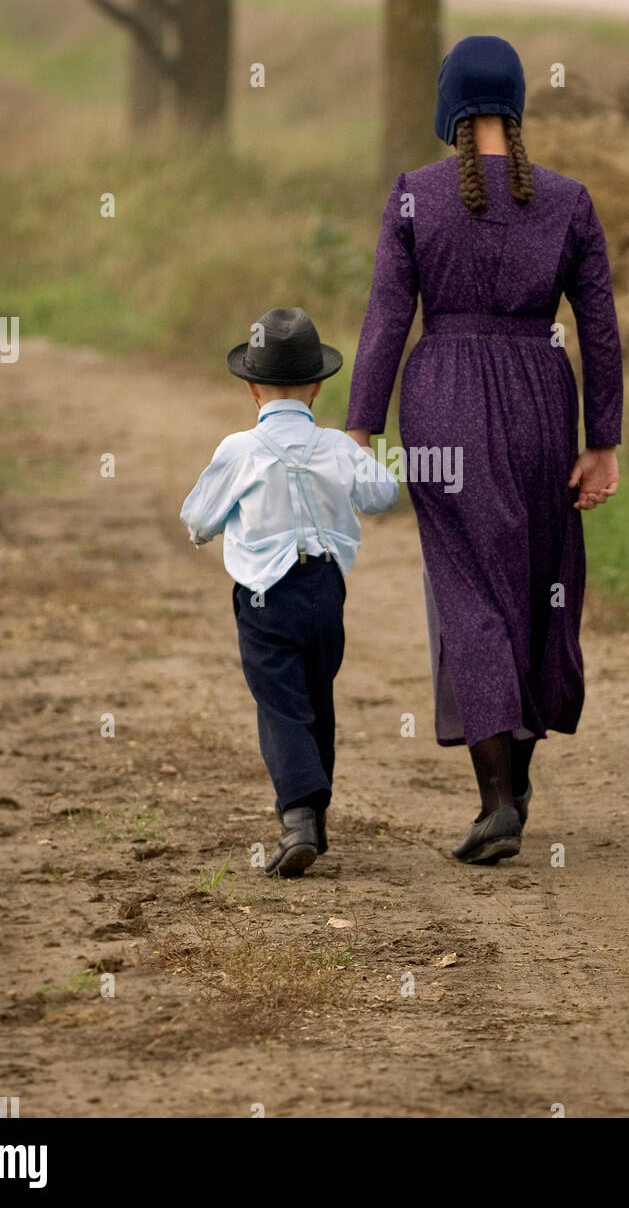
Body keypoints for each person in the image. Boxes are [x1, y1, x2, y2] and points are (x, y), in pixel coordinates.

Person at [345, 36, 622, 865]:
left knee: (468, 594)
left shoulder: (414, 197)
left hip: (444, 406)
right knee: (540, 583)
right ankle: (522, 778)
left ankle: (497, 799)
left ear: (448, 106)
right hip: (543, 395)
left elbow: (388, 318)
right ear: (517, 103)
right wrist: (602, 443)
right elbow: (600, 329)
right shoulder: (569, 200)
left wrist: (362, 429)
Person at [181, 307, 399, 876]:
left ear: (252, 388)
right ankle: (316, 820)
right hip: (326, 589)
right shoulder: (337, 447)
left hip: (263, 595)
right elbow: (381, 496)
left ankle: (299, 817)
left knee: (281, 704)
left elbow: (199, 521)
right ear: (318, 387)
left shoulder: (238, 449)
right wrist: (351, 455)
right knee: (314, 695)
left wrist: (231, 520)